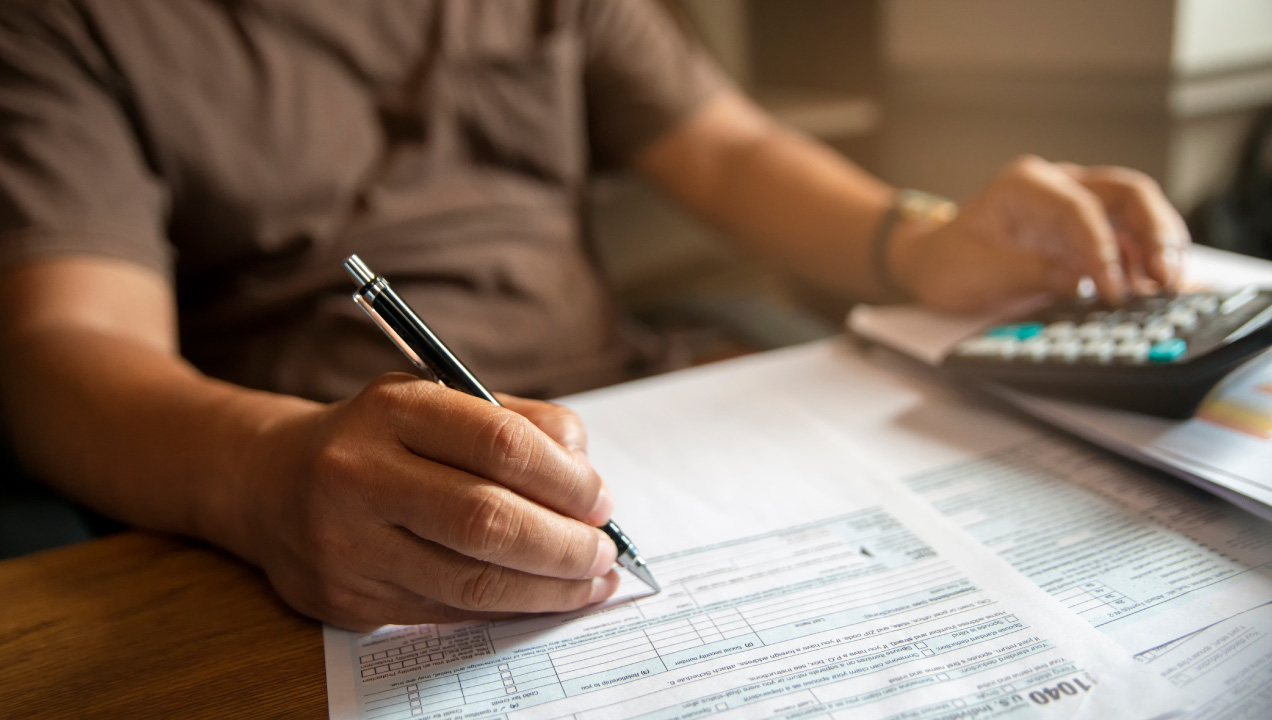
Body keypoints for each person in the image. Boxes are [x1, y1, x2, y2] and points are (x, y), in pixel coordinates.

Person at [0, 0, 1188, 631]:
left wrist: (919, 240)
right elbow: (66, 347)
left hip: (638, 413)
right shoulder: (65, 20)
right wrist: (262, 478)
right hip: (338, 501)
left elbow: (724, 151)